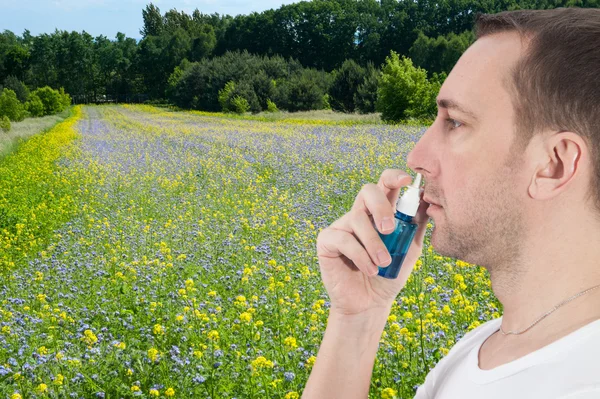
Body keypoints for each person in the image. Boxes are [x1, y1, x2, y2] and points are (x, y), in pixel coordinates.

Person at [302, 7, 600, 399]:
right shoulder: (489, 347)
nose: (417, 156)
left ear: (554, 165)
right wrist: (359, 317)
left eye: (455, 122)